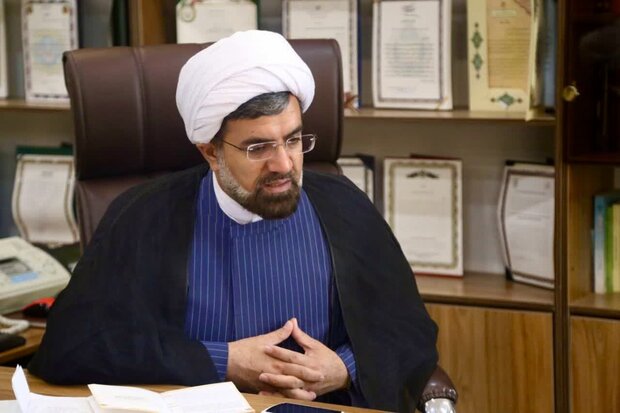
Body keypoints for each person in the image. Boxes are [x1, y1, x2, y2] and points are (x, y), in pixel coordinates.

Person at [28, 30, 438, 412]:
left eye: (293, 140)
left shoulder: (343, 206)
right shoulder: (144, 215)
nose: (284, 164)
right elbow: (72, 345)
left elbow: (409, 332)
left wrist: (344, 367)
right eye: (259, 147)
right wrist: (223, 360)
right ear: (211, 152)